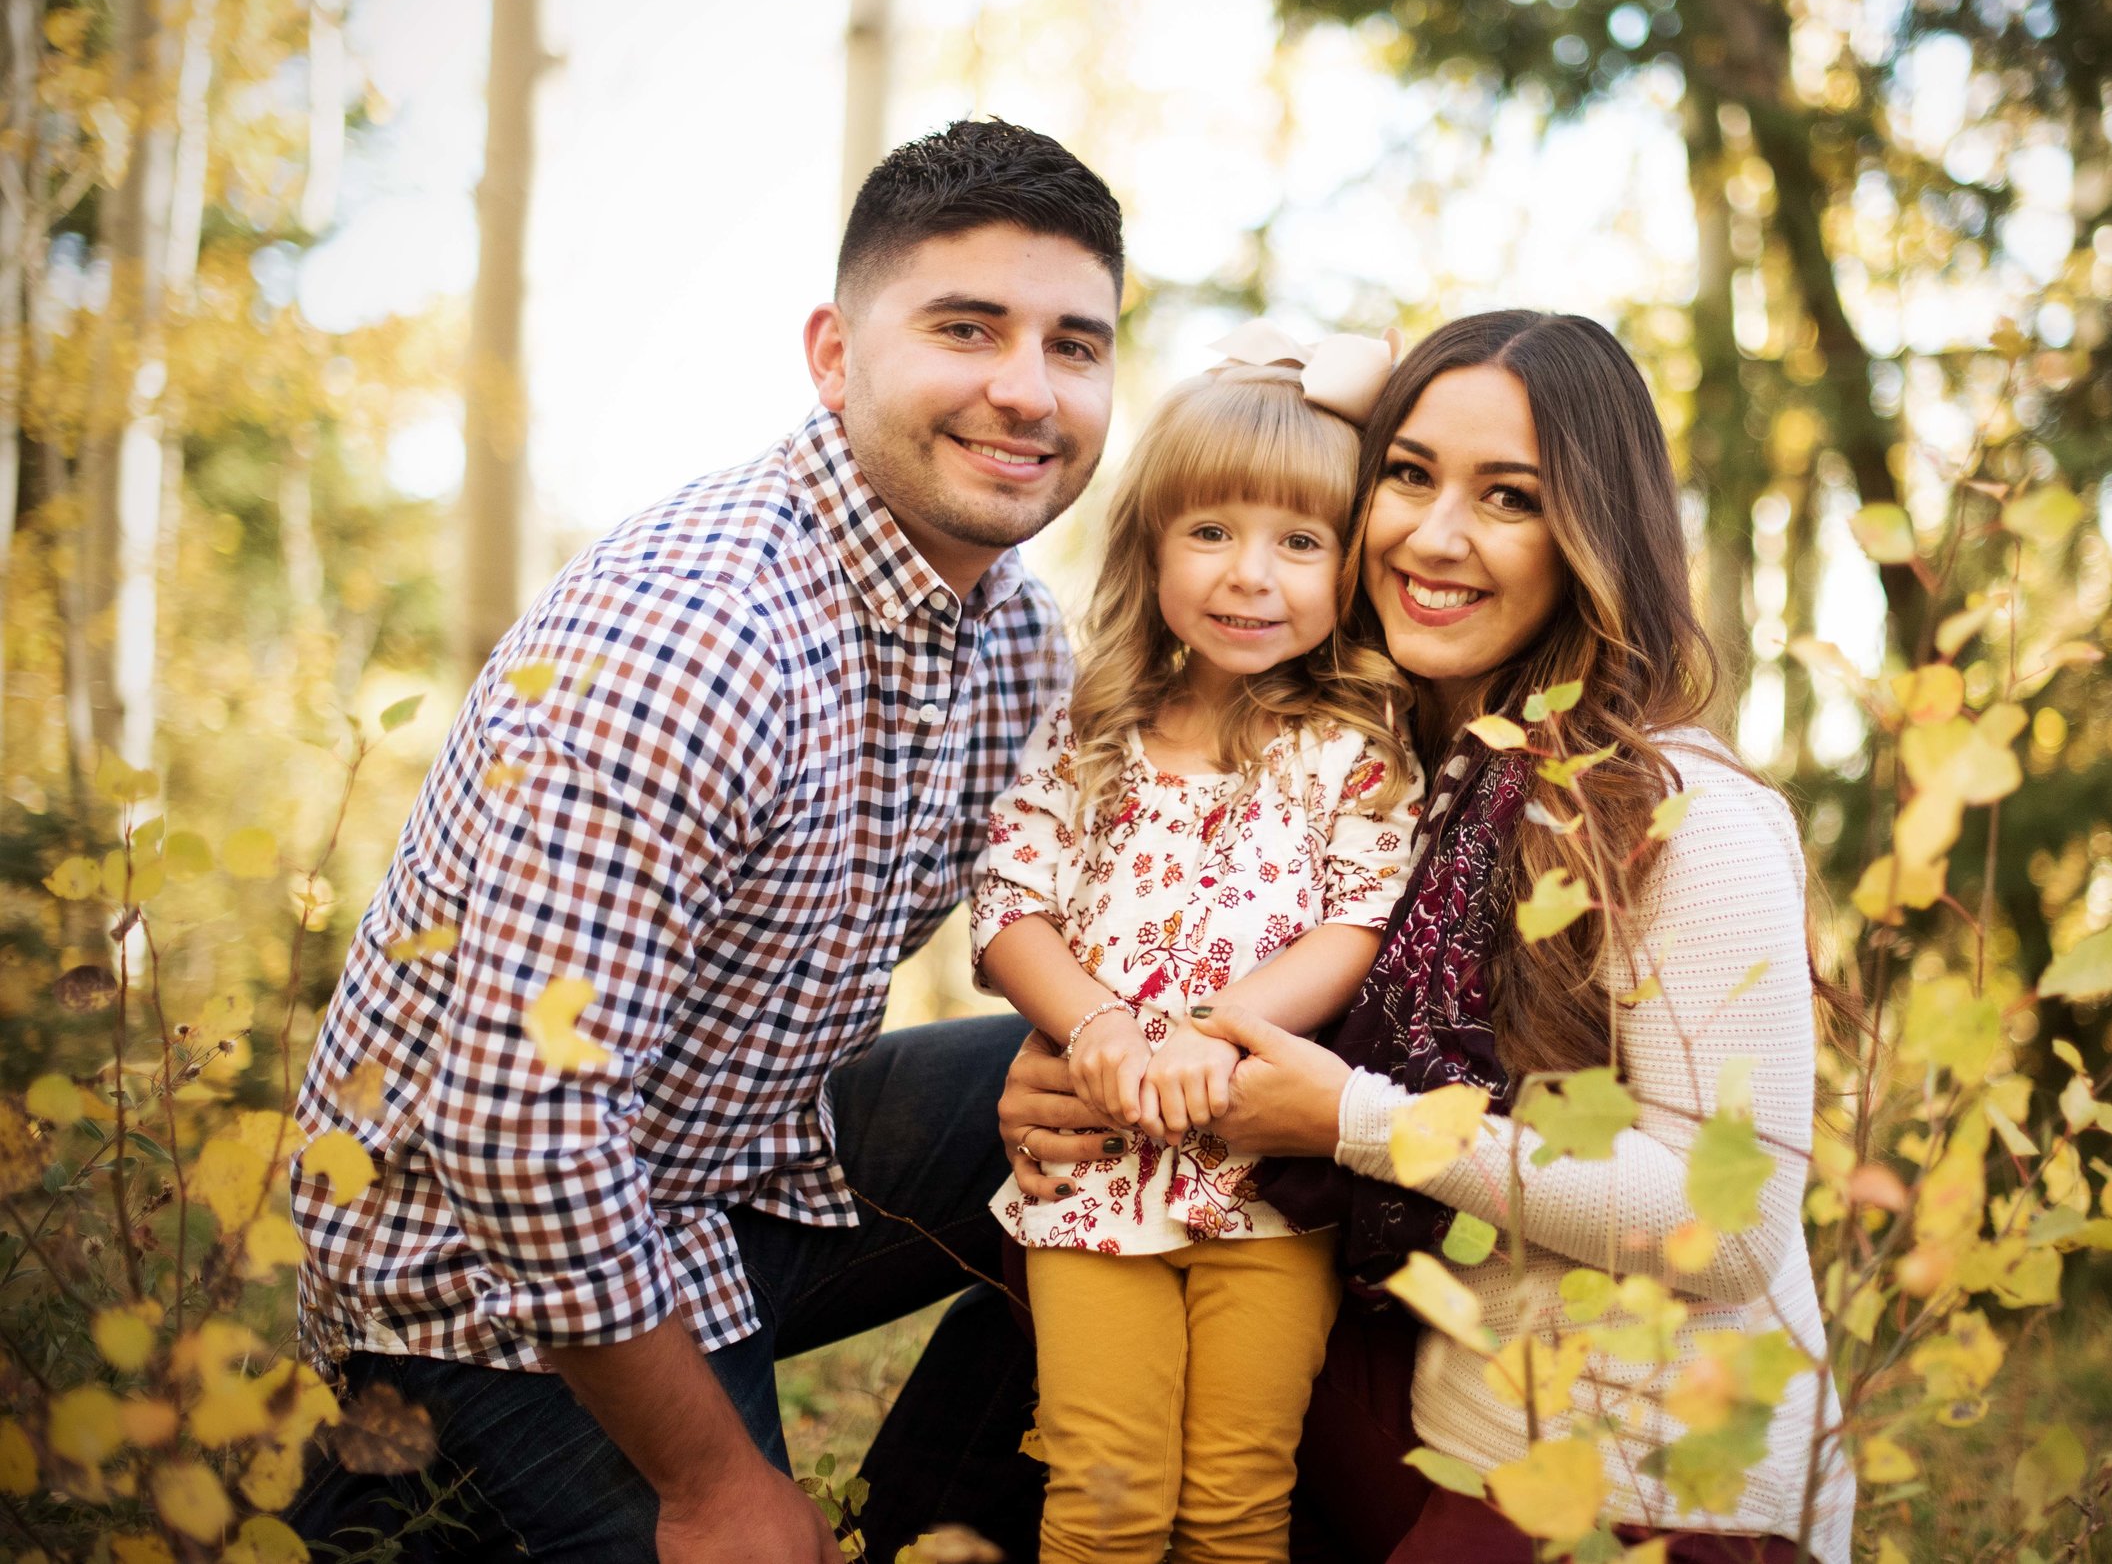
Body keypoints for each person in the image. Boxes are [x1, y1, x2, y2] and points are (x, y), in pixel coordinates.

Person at [284, 119, 1123, 1564]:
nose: (1024, 389)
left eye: (1075, 344)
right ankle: (394, 1498)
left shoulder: (1012, 636)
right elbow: (520, 1133)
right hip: (484, 1272)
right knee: (722, 1528)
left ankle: (932, 1527)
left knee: (1125, 1099)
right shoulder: (699, 634)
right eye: (966, 327)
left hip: (738, 1163)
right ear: (832, 352)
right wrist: (714, 1486)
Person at [985, 311, 1857, 1563]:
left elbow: (1729, 1230)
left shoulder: (1680, 809)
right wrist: (1062, 1064)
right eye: (1407, 475)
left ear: (1589, 536)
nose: (1432, 535)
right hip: (1453, 1392)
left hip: (1651, 1471)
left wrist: (1355, 1123)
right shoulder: (1393, 770)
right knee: (1065, 1291)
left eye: (1508, 497)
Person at [971, 321, 1422, 1562]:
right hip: (1095, 1176)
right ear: (1153, 543)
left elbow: (1356, 918)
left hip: (1265, 1187)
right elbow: (1011, 902)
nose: (1249, 575)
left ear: (1348, 566)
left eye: (1298, 541)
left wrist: (1213, 1033)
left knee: (1234, 1499)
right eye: (1210, 531)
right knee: (1103, 1487)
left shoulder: (1354, 746)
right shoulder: (1096, 729)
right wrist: (1103, 1026)